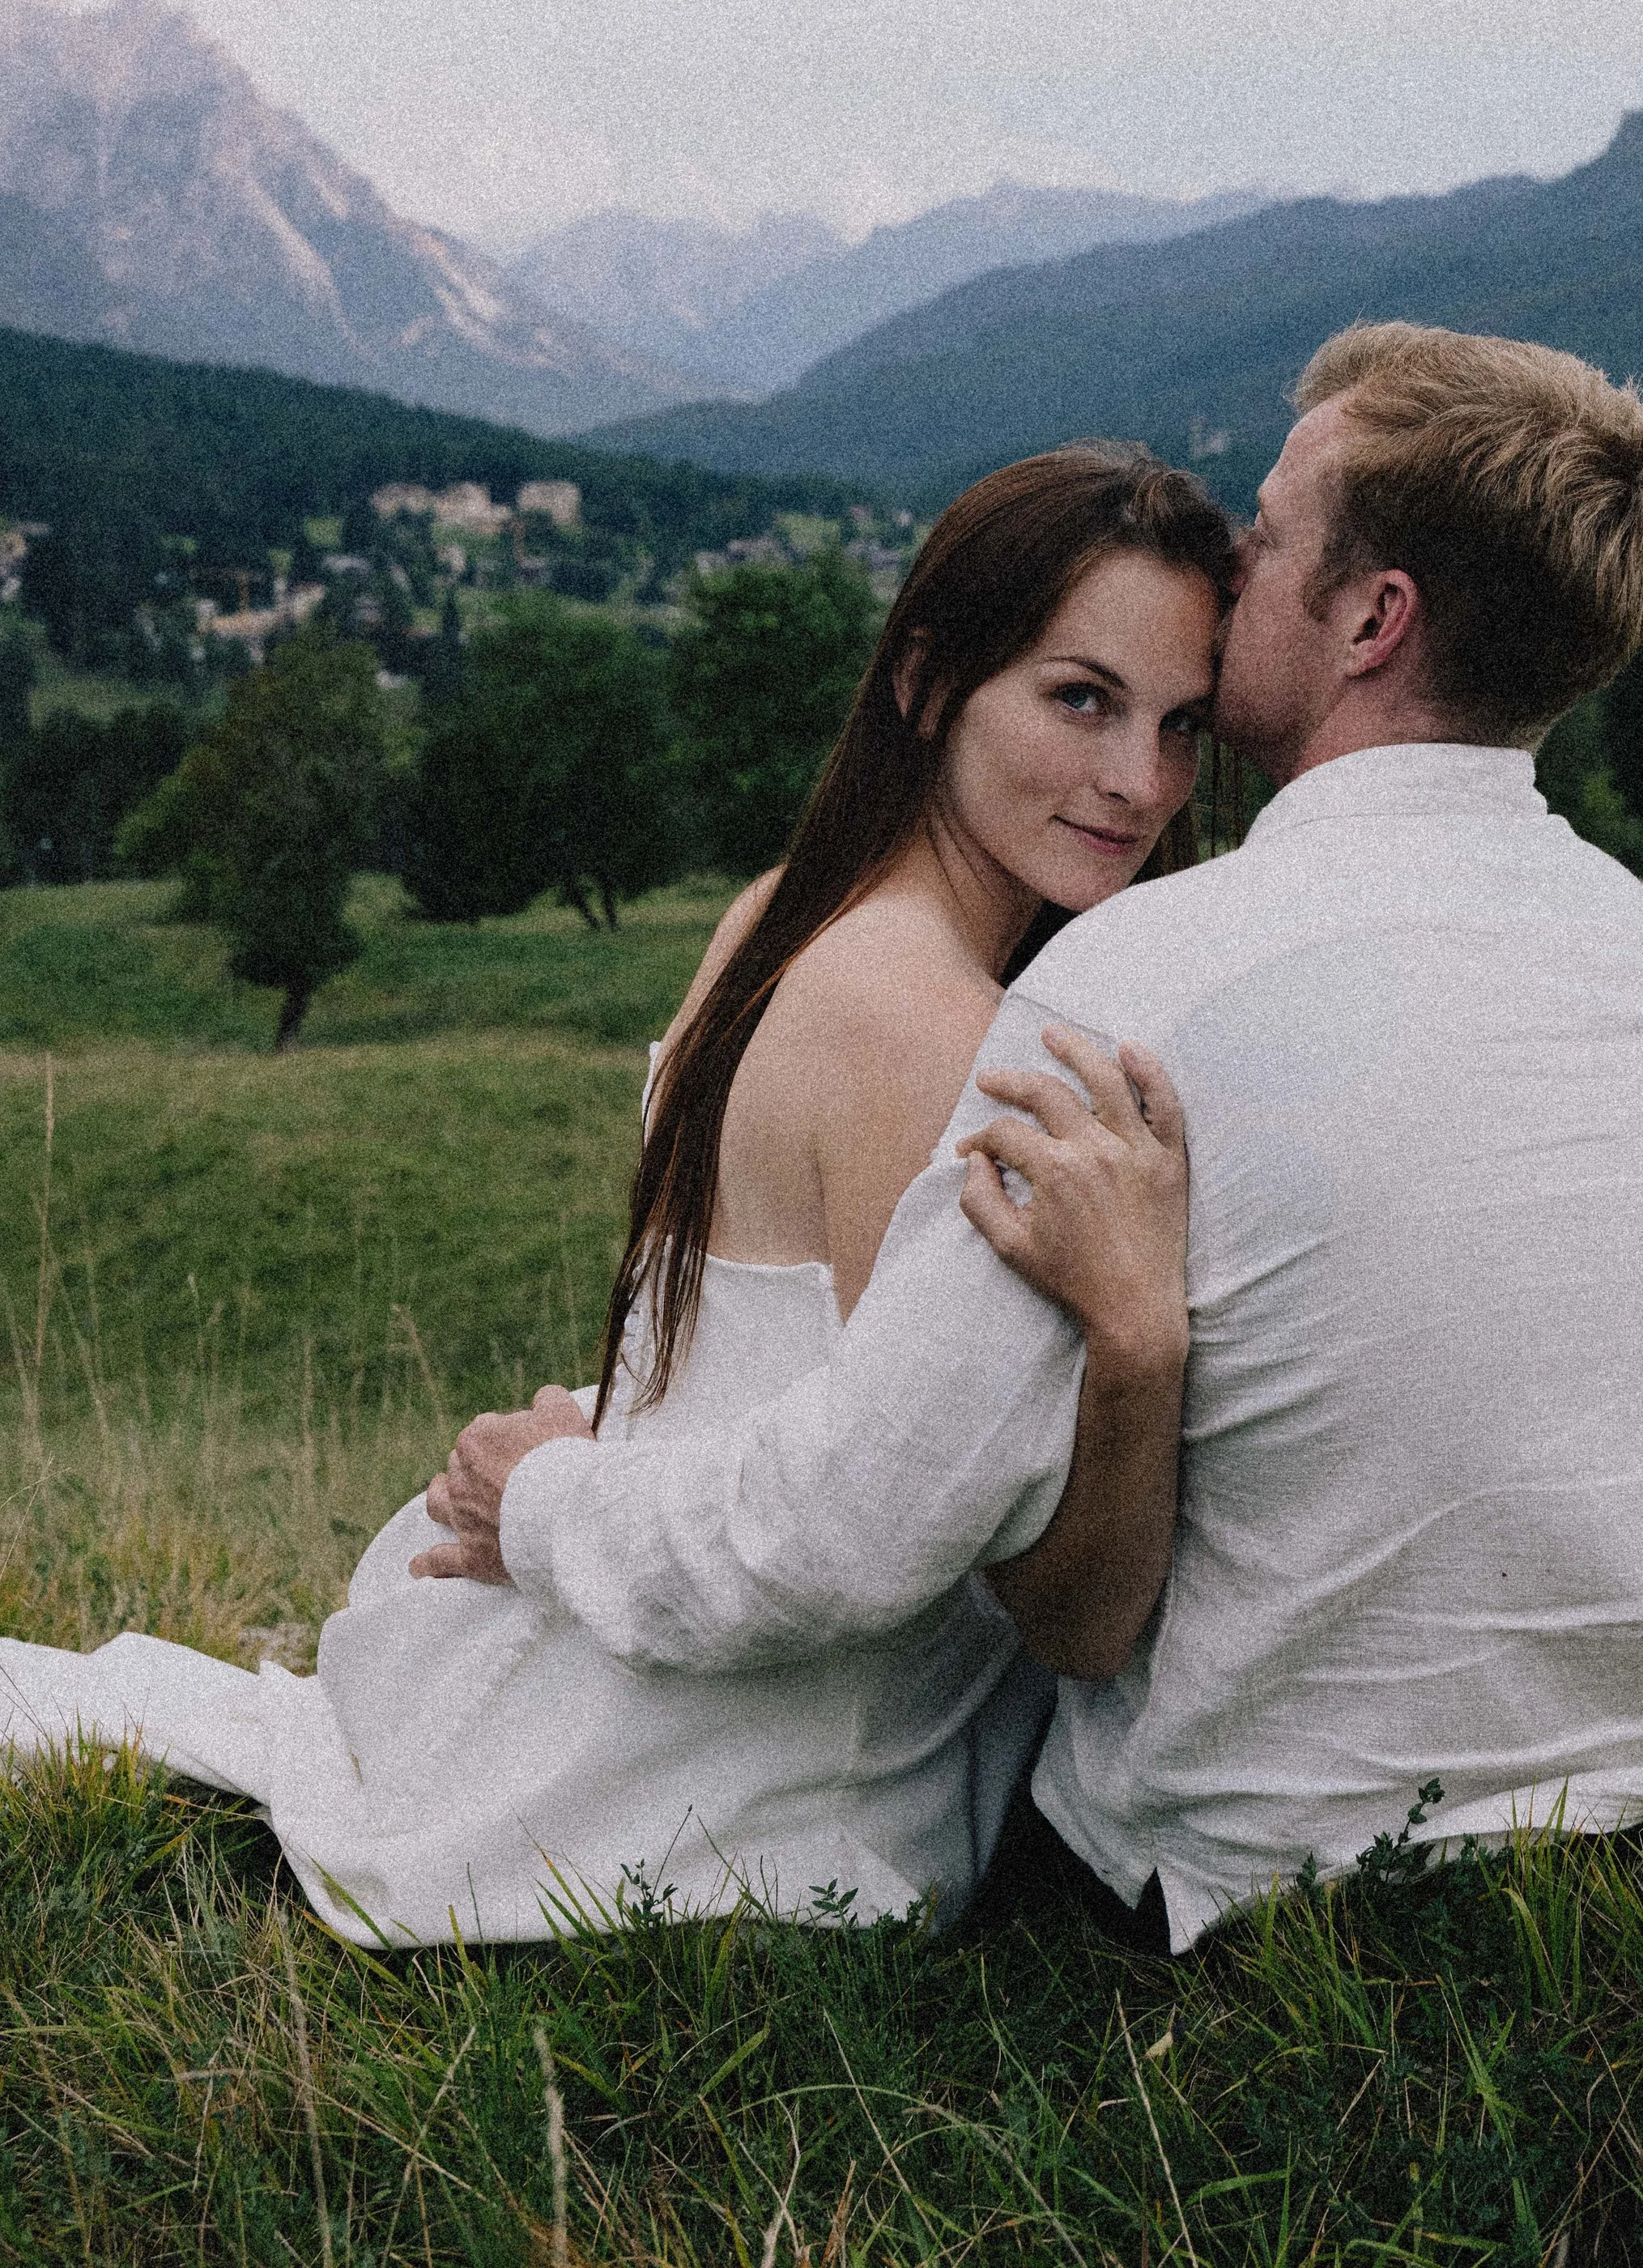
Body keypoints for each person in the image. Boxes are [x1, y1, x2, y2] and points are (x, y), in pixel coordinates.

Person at [431, 321, 1643, 1951]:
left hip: (1297, 1873)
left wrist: (545, 1500)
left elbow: (856, 1531)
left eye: (1273, 528)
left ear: (1373, 618)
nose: (1239, 557)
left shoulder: (1143, 981)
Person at [0, 445, 1232, 1946]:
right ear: (926, 685)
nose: (1140, 783)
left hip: (653, 1645)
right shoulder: (936, 1030)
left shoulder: (785, 910)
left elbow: (802, 1383)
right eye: (1079, 699)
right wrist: (1140, 1347)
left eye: (1180, 725)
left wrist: (606, 1466)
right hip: (772, 1767)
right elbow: (973, 1575)